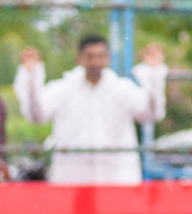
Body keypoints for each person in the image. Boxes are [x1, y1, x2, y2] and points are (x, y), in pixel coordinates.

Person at [13, 36, 168, 184]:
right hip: (72, 179)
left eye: (100, 56)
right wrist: (31, 77)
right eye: (90, 56)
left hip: (117, 178)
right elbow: (36, 116)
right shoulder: (63, 88)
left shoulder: (122, 89)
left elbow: (152, 114)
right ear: (79, 58)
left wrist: (154, 76)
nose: (95, 62)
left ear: (108, 58)